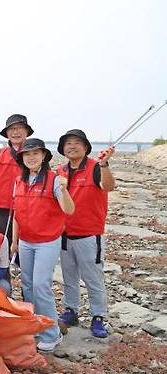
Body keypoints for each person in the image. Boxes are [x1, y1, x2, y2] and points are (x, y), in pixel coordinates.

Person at [11, 138, 75, 352]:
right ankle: (36, 326)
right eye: (27, 154)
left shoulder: (56, 180)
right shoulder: (19, 181)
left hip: (48, 241)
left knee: (40, 285)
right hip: (26, 242)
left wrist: (64, 189)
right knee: (27, 285)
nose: (31, 157)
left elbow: (69, 210)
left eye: (35, 153)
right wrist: (14, 241)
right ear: (22, 159)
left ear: (44, 156)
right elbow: (17, 214)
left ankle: (52, 332)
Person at [56, 129, 116, 338]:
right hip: (64, 235)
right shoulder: (60, 171)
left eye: (77, 142)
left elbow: (108, 186)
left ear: (85, 147)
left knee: (93, 278)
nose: (72, 146)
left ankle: (98, 316)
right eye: (68, 143)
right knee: (69, 277)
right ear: (63, 149)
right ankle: (71, 310)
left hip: (90, 235)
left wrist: (105, 164)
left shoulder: (95, 167)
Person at [0, 114, 33, 239]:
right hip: (1, 208)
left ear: (27, 132)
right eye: (12, 129)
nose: (16, 132)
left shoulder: (33, 154)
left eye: (20, 128)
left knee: (23, 243)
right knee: (2, 243)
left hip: (27, 207)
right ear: (7, 133)